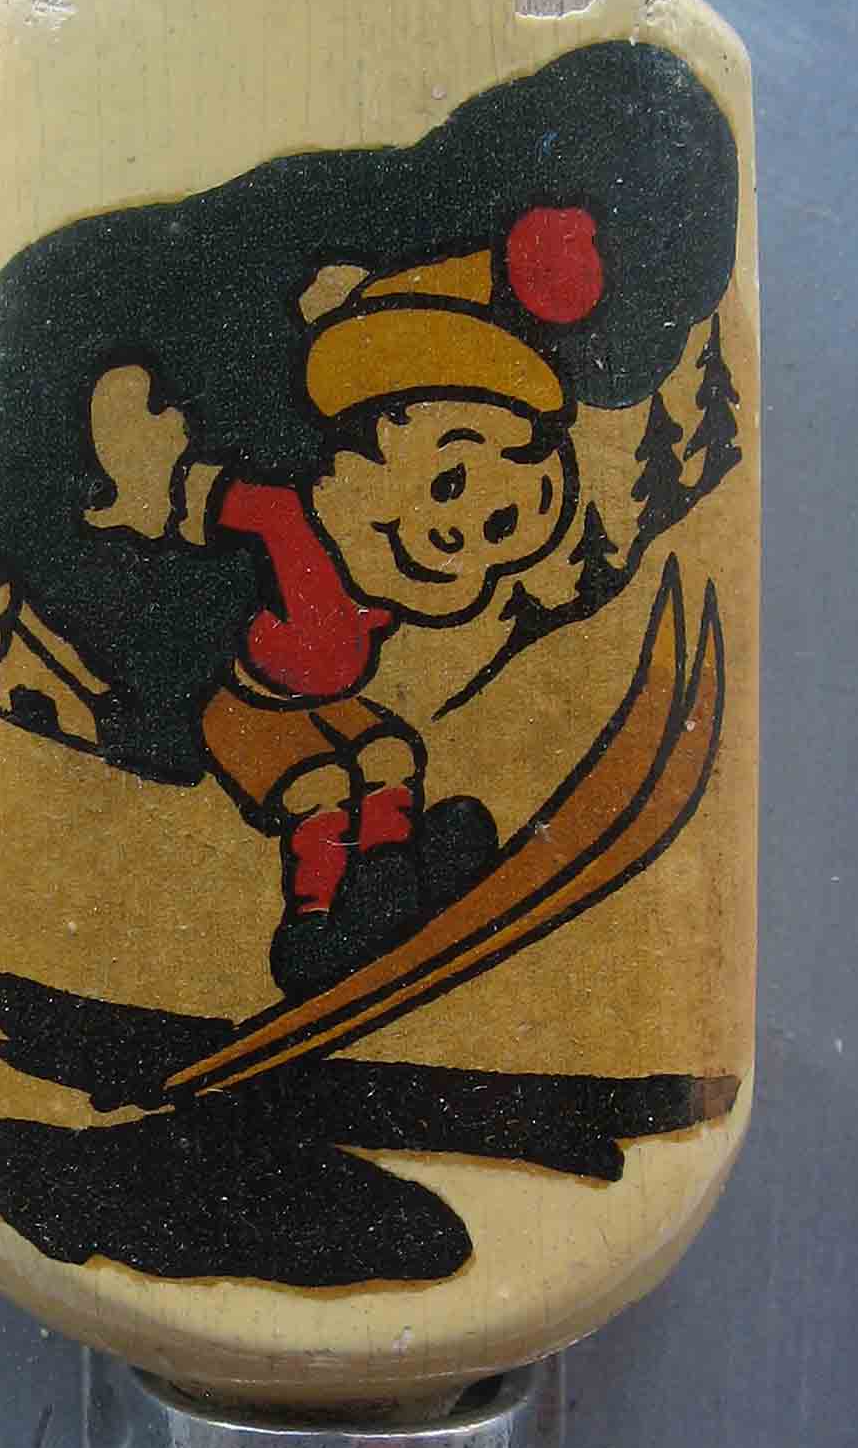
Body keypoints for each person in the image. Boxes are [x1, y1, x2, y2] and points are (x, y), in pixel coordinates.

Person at [84, 209, 601, 992]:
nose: (458, 530)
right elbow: (205, 498)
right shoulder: (295, 522)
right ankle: (315, 925)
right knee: (320, 788)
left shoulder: (387, 576)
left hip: (331, 699)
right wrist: (145, 476)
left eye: (500, 526)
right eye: (450, 483)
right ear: (374, 451)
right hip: (251, 707)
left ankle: (392, 876)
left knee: (390, 756)